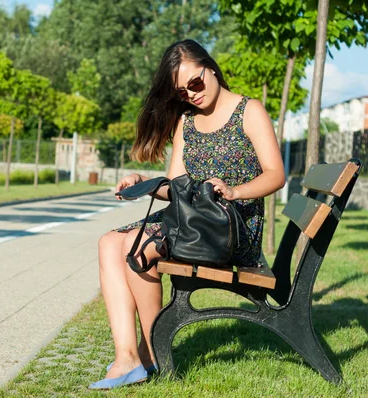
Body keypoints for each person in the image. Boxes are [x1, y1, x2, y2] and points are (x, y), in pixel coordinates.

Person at [89, 39, 285, 390]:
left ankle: (152, 354)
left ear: (210, 68)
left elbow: (275, 174)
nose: (191, 95)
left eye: (195, 83)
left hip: (231, 229)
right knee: (108, 243)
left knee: (137, 246)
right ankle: (127, 357)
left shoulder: (249, 110)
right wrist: (146, 184)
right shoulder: (187, 122)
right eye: (182, 92)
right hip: (191, 222)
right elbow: (175, 186)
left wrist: (234, 191)